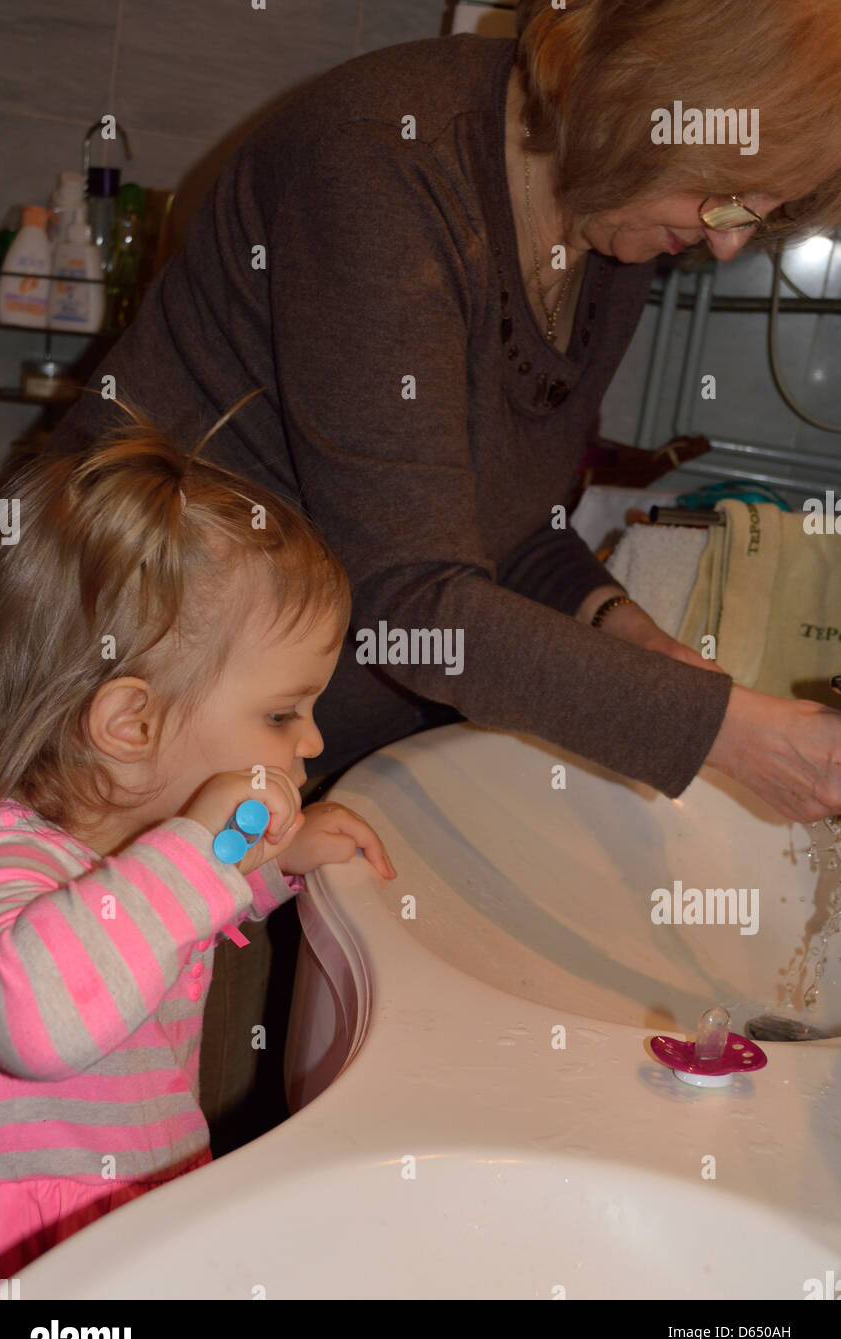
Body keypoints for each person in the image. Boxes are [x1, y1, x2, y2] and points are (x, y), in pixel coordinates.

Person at [42, 0, 841, 1137]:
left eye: (755, 218)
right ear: (642, 96)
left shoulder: (605, 221)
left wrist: (635, 640)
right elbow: (413, 599)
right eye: (722, 198)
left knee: (188, 1117)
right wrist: (729, 733)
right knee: (96, 1115)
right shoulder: (376, 167)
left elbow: (511, 527)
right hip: (126, 732)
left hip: (261, 741)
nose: (722, 243)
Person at [0, 394, 395, 1279]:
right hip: (27, 1259)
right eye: (283, 712)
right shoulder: (5, 856)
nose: (312, 742)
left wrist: (266, 864)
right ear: (131, 725)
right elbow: (37, 1022)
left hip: (129, 1210)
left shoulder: (144, 845)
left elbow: (151, 921)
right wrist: (211, 843)